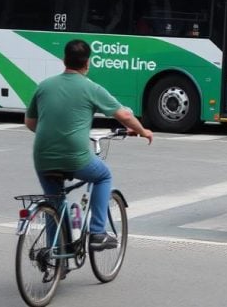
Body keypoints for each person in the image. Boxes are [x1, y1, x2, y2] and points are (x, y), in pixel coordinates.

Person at [25, 39, 154, 251]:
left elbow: (30, 123)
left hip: (42, 157)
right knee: (103, 176)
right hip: (75, 156)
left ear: (63, 60)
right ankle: (97, 232)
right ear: (88, 63)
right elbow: (123, 115)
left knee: (53, 201)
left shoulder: (44, 86)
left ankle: (55, 254)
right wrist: (143, 131)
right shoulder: (91, 88)